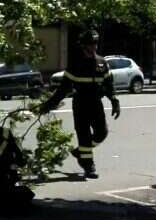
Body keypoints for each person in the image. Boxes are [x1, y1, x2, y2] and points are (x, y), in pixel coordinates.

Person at [39, 30, 120, 178]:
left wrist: (115, 101)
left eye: (95, 43)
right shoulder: (76, 64)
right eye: (91, 44)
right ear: (84, 45)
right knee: (84, 137)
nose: (94, 46)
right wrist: (50, 104)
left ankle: (79, 153)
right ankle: (89, 167)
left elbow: (109, 84)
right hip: (81, 104)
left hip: (96, 103)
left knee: (102, 133)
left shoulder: (102, 62)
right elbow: (64, 88)